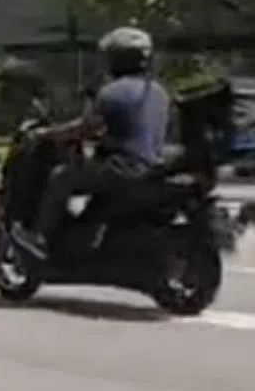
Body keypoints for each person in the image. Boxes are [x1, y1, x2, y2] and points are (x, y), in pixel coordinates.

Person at [11, 26, 171, 261]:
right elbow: (130, 129)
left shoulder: (113, 91)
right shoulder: (158, 92)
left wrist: (45, 134)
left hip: (121, 169)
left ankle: (40, 238)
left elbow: (84, 128)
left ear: (118, 58)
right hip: (152, 169)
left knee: (62, 178)